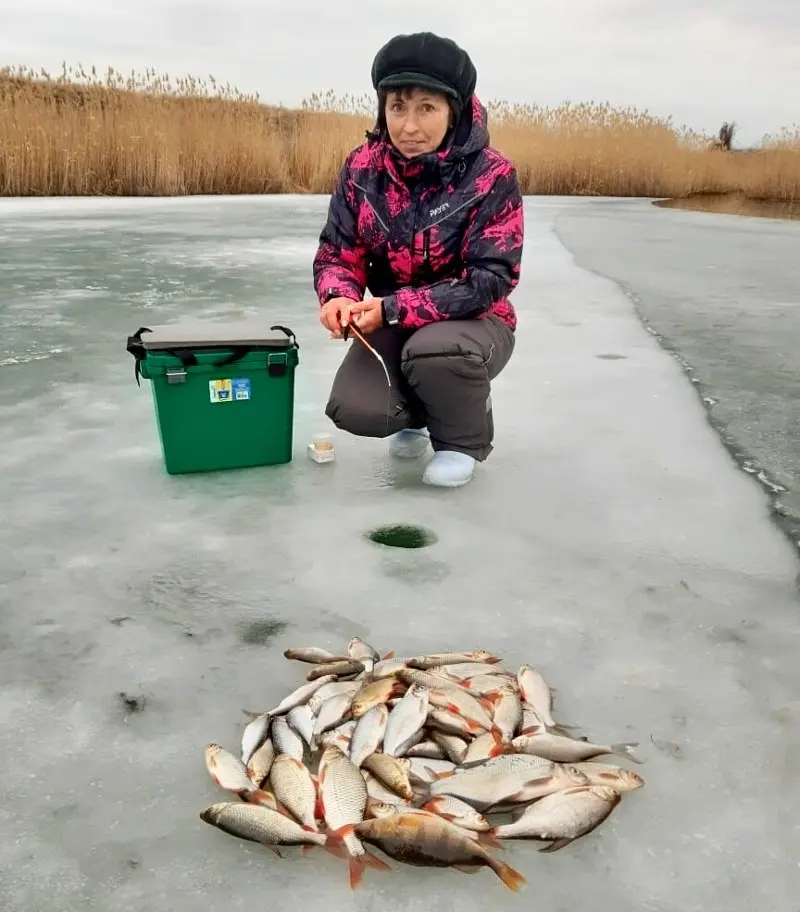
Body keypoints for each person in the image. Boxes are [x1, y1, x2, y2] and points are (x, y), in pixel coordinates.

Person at [312, 31, 524, 488]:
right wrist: (339, 296)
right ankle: (417, 417)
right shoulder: (362, 168)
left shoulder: (493, 175)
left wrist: (389, 309)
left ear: (455, 110)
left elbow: (489, 279)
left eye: (426, 108)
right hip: (393, 322)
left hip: (475, 324)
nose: (409, 126)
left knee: (435, 352)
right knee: (357, 408)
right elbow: (337, 250)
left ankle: (461, 440)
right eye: (397, 107)